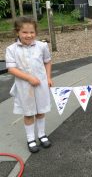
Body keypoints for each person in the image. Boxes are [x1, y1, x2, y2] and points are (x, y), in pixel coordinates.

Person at [5, 16, 53, 153]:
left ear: (36, 32)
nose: (29, 35)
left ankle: (42, 135)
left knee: (40, 111)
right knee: (28, 113)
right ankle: (31, 139)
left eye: (31, 32)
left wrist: (48, 77)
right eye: (24, 32)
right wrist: (29, 78)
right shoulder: (11, 49)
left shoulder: (42, 46)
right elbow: (11, 69)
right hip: (25, 88)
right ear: (17, 32)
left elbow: (47, 61)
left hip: (41, 85)